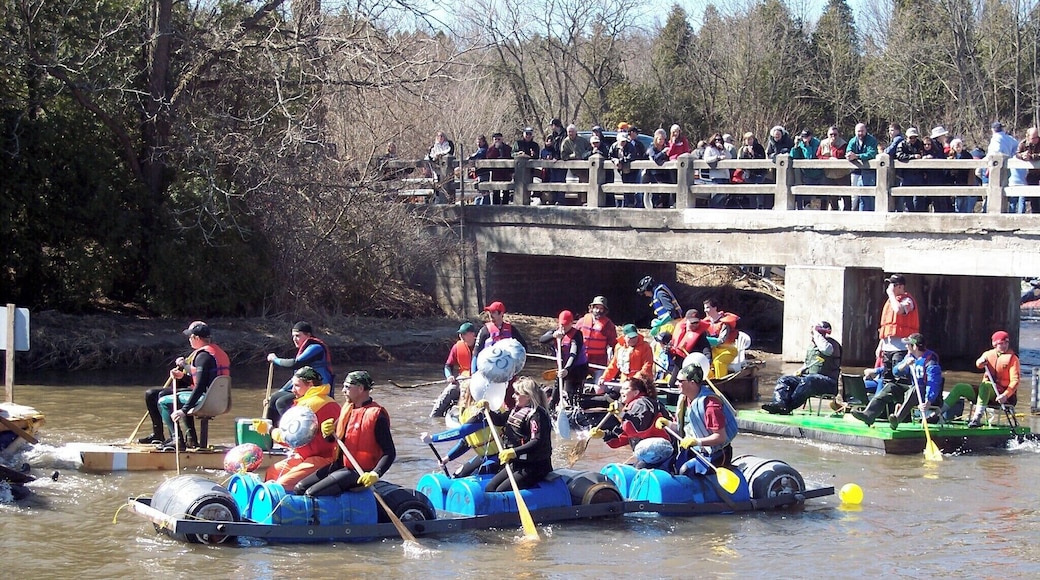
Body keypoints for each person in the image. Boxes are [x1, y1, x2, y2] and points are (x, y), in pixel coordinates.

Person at [294, 370, 395, 497]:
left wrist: (375, 473)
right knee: (300, 488)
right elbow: (333, 439)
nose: (343, 390)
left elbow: (390, 452)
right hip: (339, 466)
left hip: (359, 472)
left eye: (347, 387)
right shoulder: (347, 408)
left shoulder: (376, 415)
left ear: (360, 388)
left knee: (312, 494)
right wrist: (327, 433)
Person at [263, 367, 341, 489]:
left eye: (297, 386)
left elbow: (292, 440)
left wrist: (269, 430)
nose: (293, 390)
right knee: (273, 472)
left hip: (323, 459)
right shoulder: (313, 401)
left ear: (310, 384)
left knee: (282, 485)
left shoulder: (312, 405)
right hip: (305, 456)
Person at [655, 363, 738, 475]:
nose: (676, 383)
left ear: (692, 383)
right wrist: (668, 424)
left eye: (680, 381)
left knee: (685, 471)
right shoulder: (684, 399)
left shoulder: (711, 405)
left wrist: (697, 442)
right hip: (694, 449)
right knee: (670, 466)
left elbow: (720, 437)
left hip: (716, 454)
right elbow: (684, 428)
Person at [159, 321, 231, 450]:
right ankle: (191, 439)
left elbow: (200, 387)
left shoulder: (203, 356)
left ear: (196, 338)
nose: (189, 340)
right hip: (221, 400)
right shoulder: (219, 352)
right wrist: (183, 376)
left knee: (163, 401)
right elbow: (204, 380)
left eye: (190, 337)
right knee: (169, 394)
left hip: (205, 399)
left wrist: (183, 410)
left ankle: (177, 440)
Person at [853, 333, 941, 429]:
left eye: (908, 344)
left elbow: (933, 383)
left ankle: (897, 419)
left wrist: (928, 401)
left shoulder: (930, 360)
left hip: (926, 397)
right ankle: (869, 414)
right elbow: (896, 372)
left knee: (917, 388)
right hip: (912, 392)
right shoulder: (909, 357)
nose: (906, 346)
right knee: (891, 387)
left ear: (914, 346)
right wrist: (905, 365)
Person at [481, 377, 553, 492]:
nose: (513, 396)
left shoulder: (537, 415)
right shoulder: (516, 410)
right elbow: (499, 420)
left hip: (535, 466)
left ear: (528, 396)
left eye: (517, 393)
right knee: (490, 488)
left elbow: (537, 441)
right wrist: (488, 410)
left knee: (500, 491)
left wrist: (514, 452)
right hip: (517, 463)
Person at [422, 379, 503, 478]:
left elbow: (461, 432)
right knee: (458, 475)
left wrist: (433, 438)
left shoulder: (482, 412)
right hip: (484, 456)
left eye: (466, 391)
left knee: (480, 475)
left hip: (499, 455)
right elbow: (465, 442)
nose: (462, 394)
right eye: (462, 391)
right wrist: (447, 458)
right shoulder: (464, 412)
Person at [588, 375, 673, 469]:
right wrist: (603, 435)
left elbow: (640, 428)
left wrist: (622, 414)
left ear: (636, 392)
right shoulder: (631, 407)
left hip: (662, 449)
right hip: (649, 452)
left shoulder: (643, 403)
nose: (621, 391)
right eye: (621, 388)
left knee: (638, 469)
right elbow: (624, 436)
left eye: (626, 388)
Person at [762, 321, 842, 415]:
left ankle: (788, 407)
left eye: (817, 333)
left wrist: (817, 334)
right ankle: (779, 403)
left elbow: (826, 350)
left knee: (809, 379)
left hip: (828, 383)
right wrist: (800, 370)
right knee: (784, 379)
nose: (813, 335)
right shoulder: (812, 347)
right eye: (813, 333)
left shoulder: (832, 345)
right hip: (809, 380)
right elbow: (807, 364)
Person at [265, 321, 335, 427]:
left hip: (318, 390)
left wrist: (275, 359)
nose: (294, 339)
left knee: (282, 402)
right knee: (274, 398)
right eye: (293, 336)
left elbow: (295, 364)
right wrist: (281, 391)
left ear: (308, 335)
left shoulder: (316, 348)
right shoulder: (305, 350)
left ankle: (295, 429)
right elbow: (295, 378)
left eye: (298, 336)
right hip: (304, 388)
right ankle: (268, 434)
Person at [965, 330, 1021, 428]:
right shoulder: (988, 354)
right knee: (960, 387)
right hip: (986, 391)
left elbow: (1015, 381)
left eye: (1006, 343)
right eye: (1001, 343)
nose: (1004, 345)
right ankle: (938, 416)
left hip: (1002, 395)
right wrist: (980, 362)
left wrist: (1005, 395)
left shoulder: (1013, 359)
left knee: (985, 386)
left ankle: (977, 418)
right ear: (995, 344)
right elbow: (978, 364)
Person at [873, 273, 919, 390]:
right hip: (887, 348)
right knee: (886, 380)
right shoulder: (890, 302)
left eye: (892, 285)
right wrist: (880, 346)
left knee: (899, 379)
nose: (889, 288)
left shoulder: (908, 300)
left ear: (899, 286)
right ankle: (886, 407)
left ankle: (901, 405)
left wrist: (891, 295)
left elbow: (899, 310)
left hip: (901, 349)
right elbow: (886, 328)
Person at [539, 310, 589, 405]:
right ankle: (552, 408)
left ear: (571, 323)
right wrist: (553, 336)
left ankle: (574, 410)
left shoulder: (577, 335)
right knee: (556, 392)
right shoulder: (555, 331)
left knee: (572, 394)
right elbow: (542, 340)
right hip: (563, 367)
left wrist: (567, 369)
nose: (563, 327)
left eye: (566, 324)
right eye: (561, 324)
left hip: (577, 368)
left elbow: (573, 354)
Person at [430, 322, 477, 418]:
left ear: (472, 334)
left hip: (478, 379)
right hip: (462, 379)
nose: (461, 336)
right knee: (448, 392)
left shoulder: (482, 346)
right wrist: (449, 376)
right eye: (460, 334)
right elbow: (448, 365)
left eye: (464, 333)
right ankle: (435, 415)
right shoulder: (457, 347)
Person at [597, 324, 654, 402]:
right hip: (624, 381)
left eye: (635, 337)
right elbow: (614, 365)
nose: (634, 339)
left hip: (640, 383)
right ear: (624, 337)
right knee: (611, 397)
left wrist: (634, 380)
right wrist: (605, 377)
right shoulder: (619, 347)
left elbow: (647, 365)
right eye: (630, 338)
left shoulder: (645, 347)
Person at [471, 301, 528, 374]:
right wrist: (473, 372)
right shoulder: (484, 330)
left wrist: (516, 365)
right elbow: (476, 352)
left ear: (501, 313)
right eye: (489, 312)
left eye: (493, 312)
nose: (490, 315)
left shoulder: (511, 330)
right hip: (489, 371)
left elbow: (523, 347)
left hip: (508, 372)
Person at [663, 309, 713, 388]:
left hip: (692, 367)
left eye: (696, 322)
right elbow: (672, 346)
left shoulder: (700, 336)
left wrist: (706, 362)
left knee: (686, 384)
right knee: (672, 385)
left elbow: (707, 351)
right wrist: (668, 350)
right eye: (692, 322)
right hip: (679, 363)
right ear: (686, 321)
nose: (695, 325)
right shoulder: (679, 330)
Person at [575, 295, 617, 383]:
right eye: (596, 307)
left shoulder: (609, 325)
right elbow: (573, 337)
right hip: (582, 358)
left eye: (601, 309)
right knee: (577, 384)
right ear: (592, 308)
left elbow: (614, 344)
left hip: (599, 360)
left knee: (599, 387)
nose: (598, 311)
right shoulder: (582, 321)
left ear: (604, 310)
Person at [703, 298, 740, 379]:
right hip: (714, 350)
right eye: (705, 308)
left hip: (728, 350)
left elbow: (721, 340)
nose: (705, 310)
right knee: (704, 362)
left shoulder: (724, 323)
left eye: (708, 307)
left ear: (715, 308)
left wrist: (706, 340)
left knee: (718, 362)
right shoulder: (707, 322)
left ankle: (721, 383)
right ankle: (709, 380)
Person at [847, 123, 879, 211]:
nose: (860, 133)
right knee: (854, 195)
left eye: (862, 131)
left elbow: (872, 153)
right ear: (855, 132)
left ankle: (868, 214)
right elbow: (849, 150)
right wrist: (849, 155)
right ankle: (855, 214)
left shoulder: (871, 140)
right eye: (858, 131)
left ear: (866, 131)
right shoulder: (853, 141)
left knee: (867, 194)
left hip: (868, 171)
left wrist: (857, 156)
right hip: (855, 171)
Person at [817, 126, 849, 210]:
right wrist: (828, 159)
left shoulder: (843, 144)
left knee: (846, 197)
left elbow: (841, 155)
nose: (833, 136)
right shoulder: (823, 143)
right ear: (827, 135)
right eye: (831, 134)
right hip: (829, 174)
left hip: (842, 175)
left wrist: (833, 148)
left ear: (838, 135)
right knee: (832, 197)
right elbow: (819, 156)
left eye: (835, 134)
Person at [791, 129, 823, 209]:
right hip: (806, 174)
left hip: (818, 173)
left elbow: (810, 158)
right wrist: (796, 146)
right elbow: (794, 156)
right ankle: (806, 208)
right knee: (807, 195)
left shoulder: (817, 143)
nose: (804, 138)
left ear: (810, 136)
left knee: (819, 195)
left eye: (806, 137)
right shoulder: (800, 143)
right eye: (803, 137)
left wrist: (807, 146)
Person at [1015, 127, 1040, 214]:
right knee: (1033, 196)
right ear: (1028, 137)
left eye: (1037, 137)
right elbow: (1017, 153)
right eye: (1034, 138)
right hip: (1032, 173)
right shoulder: (1023, 143)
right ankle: (1035, 214)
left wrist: (1032, 157)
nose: (1036, 139)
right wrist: (1023, 156)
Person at [486, 132, 514, 204]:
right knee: (496, 191)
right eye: (496, 139)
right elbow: (489, 158)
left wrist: (512, 172)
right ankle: (496, 207)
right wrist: (495, 149)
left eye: (499, 139)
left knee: (506, 191)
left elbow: (511, 159)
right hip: (496, 173)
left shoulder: (508, 148)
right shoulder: (491, 149)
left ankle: (505, 206)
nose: (497, 141)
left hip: (506, 173)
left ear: (502, 139)